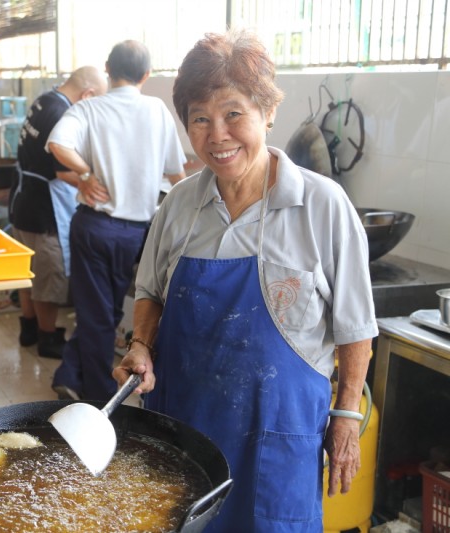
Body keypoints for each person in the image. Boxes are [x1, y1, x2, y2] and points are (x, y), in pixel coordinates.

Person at [114, 30, 377, 531]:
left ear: (268, 111)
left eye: (233, 113)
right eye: (200, 119)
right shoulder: (179, 205)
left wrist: (345, 417)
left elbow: (356, 327)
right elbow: (149, 292)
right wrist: (141, 344)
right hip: (182, 432)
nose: (218, 135)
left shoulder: (322, 206)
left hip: (276, 441)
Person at [46, 40, 186, 401]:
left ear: (107, 69)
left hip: (93, 226)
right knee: (104, 312)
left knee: (98, 313)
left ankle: (77, 379)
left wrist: (85, 172)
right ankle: (97, 395)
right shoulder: (157, 111)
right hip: (136, 234)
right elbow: (177, 175)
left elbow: (57, 144)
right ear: (146, 75)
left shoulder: (90, 108)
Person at [9, 66, 108, 359]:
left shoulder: (45, 99)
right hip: (43, 209)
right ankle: (48, 337)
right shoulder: (62, 113)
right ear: (87, 95)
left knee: (27, 273)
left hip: (23, 200)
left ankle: (28, 328)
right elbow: (64, 171)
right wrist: (96, 184)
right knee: (47, 277)